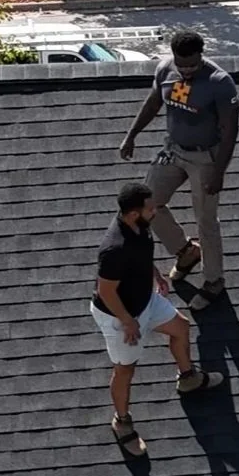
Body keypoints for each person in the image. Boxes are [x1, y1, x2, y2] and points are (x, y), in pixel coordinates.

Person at [93, 183, 225, 456]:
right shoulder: (114, 248)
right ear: (132, 214)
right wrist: (128, 321)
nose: (155, 211)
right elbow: (105, 291)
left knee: (181, 327)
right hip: (120, 315)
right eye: (150, 208)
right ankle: (122, 421)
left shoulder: (139, 226)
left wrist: (153, 274)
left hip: (145, 300)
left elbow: (141, 254)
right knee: (125, 369)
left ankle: (187, 378)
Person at [118, 30, 239, 311]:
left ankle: (213, 280)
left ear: (202, 55)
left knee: (205, 220)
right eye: (181, 65)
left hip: (205, 158)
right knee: (146, 203)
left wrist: (219, 171)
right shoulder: (165, 70)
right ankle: (186, 252)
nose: (186, 71)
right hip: (173, 151)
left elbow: (230, 130)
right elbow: (153, 102)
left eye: (192, 65)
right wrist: (131, 134)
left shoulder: (219, 82)